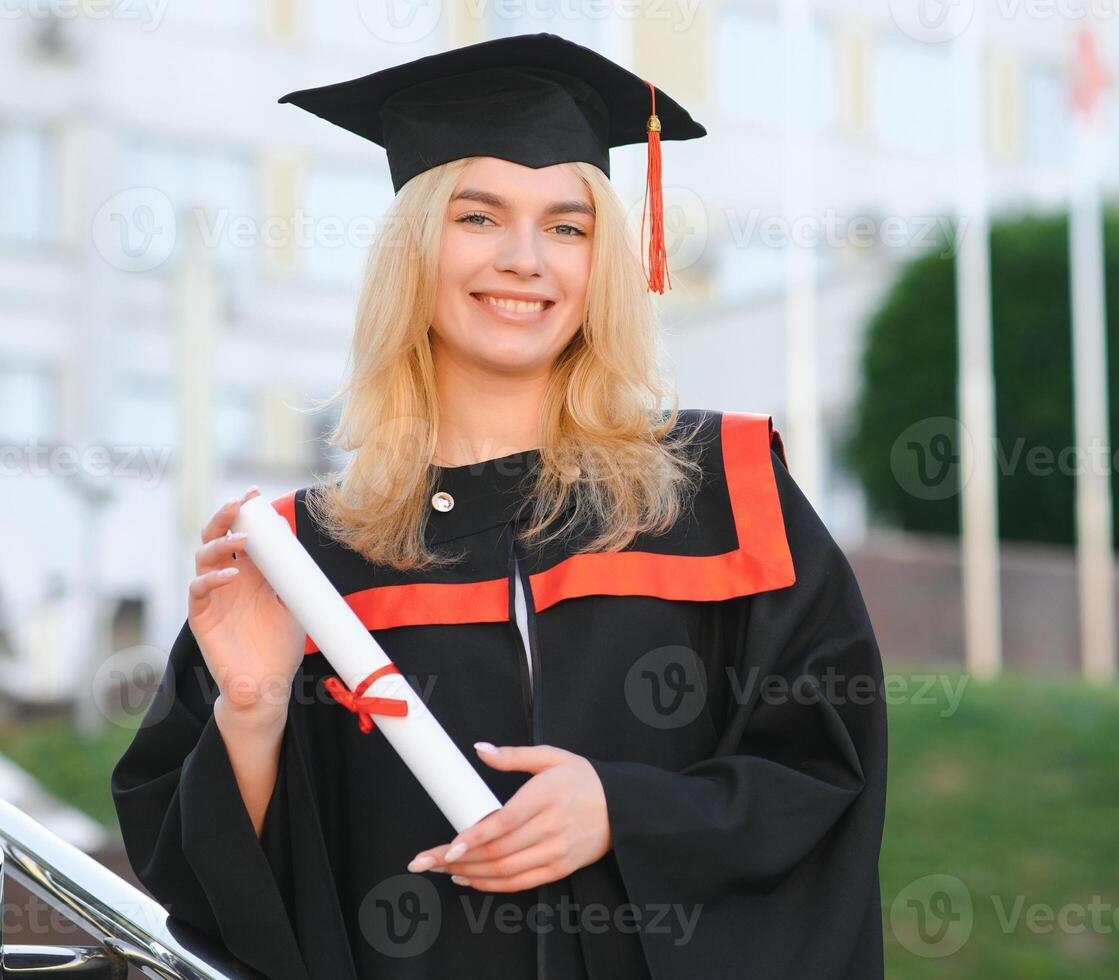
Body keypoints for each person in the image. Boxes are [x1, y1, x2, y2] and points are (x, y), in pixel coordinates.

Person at [111, 32, 887, 980]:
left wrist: (622, 811)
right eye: (479, 217)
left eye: (568, 227)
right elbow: (221, 901)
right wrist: (251, 706)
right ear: (414, 248)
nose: (526, 260)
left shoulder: (718, 493)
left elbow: (824, 776)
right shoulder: (307, 562)